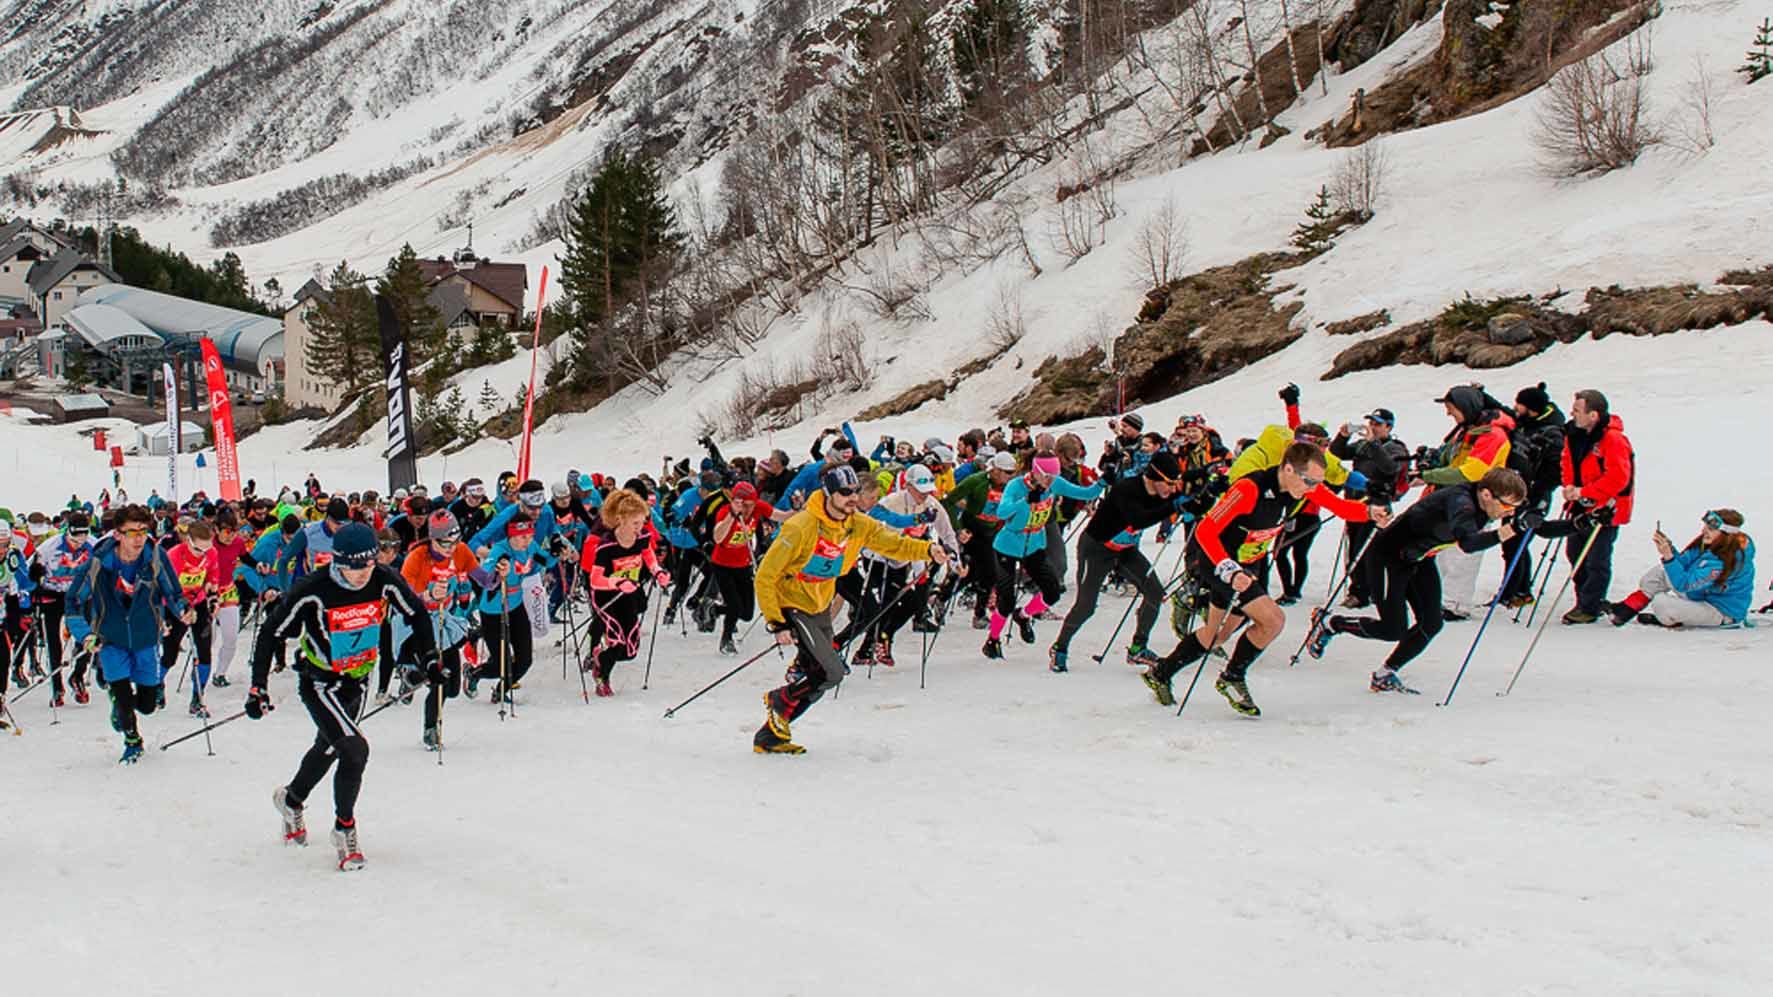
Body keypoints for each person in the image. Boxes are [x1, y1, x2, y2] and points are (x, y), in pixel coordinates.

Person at [1139, 443, 1387, 717]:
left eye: (1318, 482)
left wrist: (1369, 513)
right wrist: (1228, 569)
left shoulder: (1305, 487)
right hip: (1221, 562)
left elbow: (1341, 507)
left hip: (1249, 564)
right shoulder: (1250, 489)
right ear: (1289, 469)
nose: (1313, 488)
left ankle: (1161, 673)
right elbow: (1206, 530)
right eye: (1309, 481)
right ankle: (1232, 677)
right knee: (1273, 620)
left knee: (1216, 635)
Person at [248, 522, 438, 871]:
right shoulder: (313, 589)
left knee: (331, 747)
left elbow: (417, 614)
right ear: (338, 562)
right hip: (320, 682)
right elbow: (271, 631)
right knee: (354, 748)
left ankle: (291, 800)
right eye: (355, 567)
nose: (363, 573)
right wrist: (257, 686)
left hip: (358, 680)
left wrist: (430, 658)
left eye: (369, 563)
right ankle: (344, 828)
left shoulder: (383, 578)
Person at [752, 465, 947, 754]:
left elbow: (891, 543)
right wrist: (777, 623)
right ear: (828, 493)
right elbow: (765, 576)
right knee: (831, 672)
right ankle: (780, 700)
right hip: (793, 603)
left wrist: (927, 550)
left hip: (820, 602)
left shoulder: (857, 523)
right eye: (845, 493)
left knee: (818, 677)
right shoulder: (801, 526)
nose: (852, 498)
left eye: (855, 492)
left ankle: (769, 736)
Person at [1309, 469, 1539, 692]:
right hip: (1388, 557)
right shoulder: (1461, 503)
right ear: (1487, 494)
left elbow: (1539, 528)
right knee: (1392, 629)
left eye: (1514, 508)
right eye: (1507, 506)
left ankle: (1385, 673)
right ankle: (1330, 623)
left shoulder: (1484, 502)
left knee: (1431, 623)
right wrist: (1512, 529)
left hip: (1419, 559)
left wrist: (1553, 521)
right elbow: (1468, 544)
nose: (1509, 513)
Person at [64, 505, 195, 763]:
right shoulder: (98, 562)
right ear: (117, 535)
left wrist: (183, 609)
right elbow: (73, 602)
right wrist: (85, 635)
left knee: (147, 705)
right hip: (110, 637)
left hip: (145, 635)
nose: (138, 538)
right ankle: (132, 740)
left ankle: (126, 708)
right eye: (132, 532)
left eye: (143, 531)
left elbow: (173, 592)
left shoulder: (155, 556)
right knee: (123, 698)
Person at [1050, 450, 1186, 673]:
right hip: (1096, 549)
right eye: (1169, 483)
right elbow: (1139, 519)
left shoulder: (1163, 493)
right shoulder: (1127, 489)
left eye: (1174, 484)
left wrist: (1197, 501)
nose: (1172, 489)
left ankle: (1138, 647)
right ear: (1154, 476)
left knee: (1155, 593)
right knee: (1086, 606)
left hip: (1125, 550)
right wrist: (1175, 506)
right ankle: (1060, 647)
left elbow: (1182, 498)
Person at [982, 450, 1104, 660]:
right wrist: (1025, 500)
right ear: (1035, 472)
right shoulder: (1016, 486)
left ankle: (1024, 615)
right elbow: (1002, 512)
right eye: (1046, 476)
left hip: (1034, 545)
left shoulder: (1054, 483)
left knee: (1052, 591)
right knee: (1006, 600)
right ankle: (992, 640)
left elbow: (1085, 493)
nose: (1049, 481)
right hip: (1007, 546)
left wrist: (1103, 482)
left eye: (1053, 476)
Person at [1414, 385, 1515, 619]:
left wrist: (1429, 476)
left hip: (1477, 501)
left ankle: (1455, 604)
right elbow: (1451, 461)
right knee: (1443, 551)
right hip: (1453, 498)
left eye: (1452, 408)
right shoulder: (1467, 431)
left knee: (1463, 554)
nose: (1449, 413)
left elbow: (1471, 472)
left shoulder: (1492, 435)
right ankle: (1439, 599)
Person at [844, 464, 958, 668]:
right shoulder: (892, 501)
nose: (925, 496)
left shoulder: (932, 504)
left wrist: (955, 560)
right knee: (881, 607)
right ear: (909, 487)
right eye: (921, 491)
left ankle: (882, 638)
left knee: (912, 603)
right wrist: (917, 519)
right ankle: (865, 647)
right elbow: (889, 520)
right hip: (879, 560)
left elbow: (947, 532)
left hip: (904, 560)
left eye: (928, 491)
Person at [400, 510, 488, 747]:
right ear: (432, 539)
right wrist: (427, 595)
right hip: (417, 622)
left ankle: (413, 676)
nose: (451, 548)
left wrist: (499, 574)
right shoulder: (417, 557)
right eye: (444, 543)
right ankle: (431, 728)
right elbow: (403, 597)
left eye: (455, 541)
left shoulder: (461, 551)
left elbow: (483, 579)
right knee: (438, 679)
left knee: (452, 688)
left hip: (443, 619)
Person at [581, 490, 672, 697]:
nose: (640, 528)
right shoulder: (607, 545)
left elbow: (648, 554)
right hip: (606, 597)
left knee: (631, 650)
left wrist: (657, 571)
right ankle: (602, 677)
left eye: (642, 522)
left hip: (628, 595)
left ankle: (599, 657)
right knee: (617, 640)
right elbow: (595, 580)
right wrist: (618, 582)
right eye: (635, 523)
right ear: (621, 520)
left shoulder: (642, 537)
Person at [1558, 389, 1635, 624]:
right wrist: (1569, 486)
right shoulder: (1574, 434)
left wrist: (1585, 491)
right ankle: (1584, 599)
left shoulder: (1613, 439)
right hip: (1580, 505)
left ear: (1593, 415)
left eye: (1577, 410)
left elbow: (1618, 478)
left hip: (1606, 509)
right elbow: (1567, 462)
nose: (1572, 414)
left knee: (1597, 559)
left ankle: (1589, 606)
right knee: (1575, 553)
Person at [1610, 510, 1753, 628]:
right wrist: (1669, 549)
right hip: (1701, 595)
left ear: (1726, 534)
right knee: (1662, 571)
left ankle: (1672, 618)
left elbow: (1684, 585)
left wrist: (1668, 557)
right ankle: (1627, 609)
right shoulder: (1710, 544)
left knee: (1661, 602)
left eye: (1710, 529)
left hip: (1719, 611)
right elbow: (1683, 563)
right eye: (1705, 526)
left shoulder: (1722, 562)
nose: (1704, 531)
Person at [467, 518, 555, 704]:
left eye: (530, 536)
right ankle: (474, 673)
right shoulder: (499, 551)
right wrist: (499, 573)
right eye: (523, 537)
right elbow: (485, 577)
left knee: (525, 660)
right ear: (512, 536)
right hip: (493, 611)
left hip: (516, 607)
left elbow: (544, 560)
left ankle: (501, 691)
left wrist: (556, 552)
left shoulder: (530, 548)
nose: (527, 541)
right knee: (502, 664)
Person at [1329, 409, 1408, 609]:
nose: (1372, 427)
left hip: (1377, 505)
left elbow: (1390, 468)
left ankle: (1364, 593)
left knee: (1367, 551)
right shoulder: (1363, 445)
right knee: (1354, 548)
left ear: (1388, 427)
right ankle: (1360, 590)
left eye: (1378, 424)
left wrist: (1373, 444)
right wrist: (1342, 436)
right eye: (1371, 423)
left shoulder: (1395, 448)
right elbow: (1337, 454)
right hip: (1355, 503)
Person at [1499, 384, 1566, 608]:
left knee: (1515, 543)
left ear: (1532, 409)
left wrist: (1535, 487)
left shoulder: (1552, 433)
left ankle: (1515, 592)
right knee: (1510, 541)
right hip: (1515, 492)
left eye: (1520, 405)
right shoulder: (1525, 422)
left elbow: (1556, 471)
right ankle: (1517, 590)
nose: (1515, 408)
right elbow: (1504, 411)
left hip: (1535, 495)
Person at [706, 481, 791, 655]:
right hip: (722, 565)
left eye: (751, 505)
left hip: (743, 564)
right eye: (744, 505)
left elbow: (781, 516)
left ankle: (715, 609)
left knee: (746, 613)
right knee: (734, 604)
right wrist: (732, 515)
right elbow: (718, 538)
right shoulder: (725, 511)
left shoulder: (758, 507)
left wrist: (799, 509)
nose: (748, 510)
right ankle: (726, 639)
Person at [943, 451, 1018, 629]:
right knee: (975, 571)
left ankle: (975, 610)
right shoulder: (976, 481)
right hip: (972, 529)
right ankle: (946, 599)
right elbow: (949, 501)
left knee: (986, 572)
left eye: (1013, 473)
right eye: (1008, 473)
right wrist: (957, 529)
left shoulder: (1011, 486)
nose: (1010, 477)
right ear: (996, 470)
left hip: (992, 532)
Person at [30, 511, 96, 707]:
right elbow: (28, 571)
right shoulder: (49, 547)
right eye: (74, 540)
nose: (78, 544)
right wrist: (35, 575)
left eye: (82, 540)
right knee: (53, 640)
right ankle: (57, 686)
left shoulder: (93, 545)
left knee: (88, 636)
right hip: (53, 594)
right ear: (68, 532)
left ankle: (77, 676)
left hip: (78, 595)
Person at [162, 520, 222, 717]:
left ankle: (198, 697)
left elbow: (213, 575)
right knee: (170, 654)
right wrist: (183, 610)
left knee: (204, 651)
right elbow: (167, 590)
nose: (202, 554)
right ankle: (156, 685)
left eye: (206, 549)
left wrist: (213, 596)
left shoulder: (210, 553)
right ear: (188, 540)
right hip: (174, 606)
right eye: (198, 549)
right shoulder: (174, 556)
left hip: (199, 602)